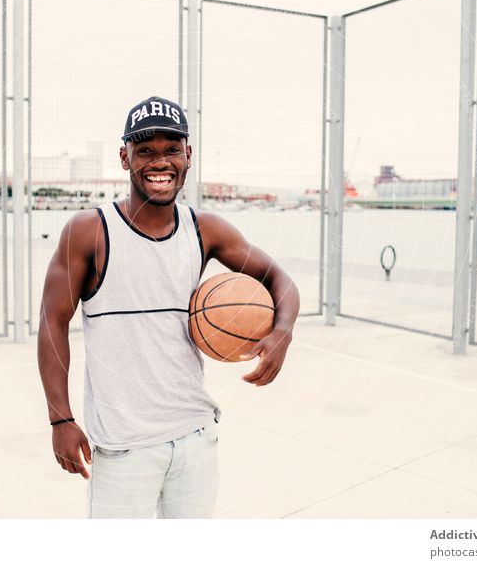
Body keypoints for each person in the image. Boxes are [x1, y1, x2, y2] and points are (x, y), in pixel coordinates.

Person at [37, 96, 299, 519]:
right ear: (125, 158)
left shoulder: (205, 229)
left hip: (195, 434)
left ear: (188, 156)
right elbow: (52, 322)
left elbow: (279, 280)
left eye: (171, 149)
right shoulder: (90, 231)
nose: (160, 162)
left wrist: (283, 332)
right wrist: (60, 419)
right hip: (123, 446)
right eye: (145, 151)